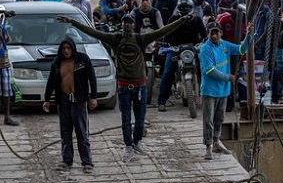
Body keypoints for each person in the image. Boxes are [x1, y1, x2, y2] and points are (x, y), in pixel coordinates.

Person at [57, 13, 191, 163]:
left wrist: (181, 21)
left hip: (140, 86)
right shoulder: (116, 39)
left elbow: (162, 31)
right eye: (124, 23)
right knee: (126, 119)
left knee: (140, 120)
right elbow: (94, 32)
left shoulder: (141, 39)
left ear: (134, 25)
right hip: (123, 87)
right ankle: (128, 146)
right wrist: (73, 22)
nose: (127, 25)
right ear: (122, 25)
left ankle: (137, 141)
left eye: (129, 23)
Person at [199, 21, 254, 160]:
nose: (215, 35)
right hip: (209, 91)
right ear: (208, 34)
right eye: (212, 33)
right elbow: (210, 70)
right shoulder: (205, 49)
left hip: (223, 91)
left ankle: (216, 142)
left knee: (219, 118)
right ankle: (208, 146)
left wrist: (248, 35)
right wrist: (228, 77)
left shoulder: (225, 45)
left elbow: (241, 49)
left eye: (217, 32)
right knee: (208, 120)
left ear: (221, 33)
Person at [43, 37, 97, 173]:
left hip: (79, 101)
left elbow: (92, 77)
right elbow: (50, 82)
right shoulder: (57, 62)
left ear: (73, 48)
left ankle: (87, 162)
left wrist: (93, 97)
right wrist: (47, 100)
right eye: (64, 49)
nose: (66, 51)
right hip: (63, 101)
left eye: (68, 48)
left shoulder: (82, 59)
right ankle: (67, 160)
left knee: (82, 133)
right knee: (65, 133)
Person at [157, 0, 206, 112]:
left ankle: (207, 97)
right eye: (182, 7)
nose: (185, 9)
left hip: (193, 50)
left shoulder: (197, 20)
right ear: (178, 8)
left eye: (187, 7)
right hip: (176, 51)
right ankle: (162, 101)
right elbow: (167, 34)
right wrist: (166, 43)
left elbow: (204, 35)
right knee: (168, 72)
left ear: (191, 8)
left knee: (205, 69)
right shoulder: (174, 19)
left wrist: (203, 43)